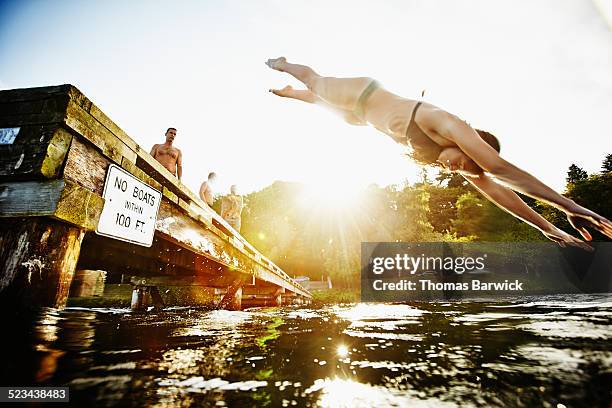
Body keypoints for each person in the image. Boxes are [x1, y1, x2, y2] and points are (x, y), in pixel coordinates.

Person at [266, 57, 612, 247]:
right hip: (363, 93)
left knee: (330, 108)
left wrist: (545, 228)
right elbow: (501, 169)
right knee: (315, 81)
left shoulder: (460, 161)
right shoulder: (446, 123)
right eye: (463, 162)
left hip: (362, 116)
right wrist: (569, 205)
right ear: (466, 143)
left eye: (462, 170)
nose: (454, 170)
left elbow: (498, 190)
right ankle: (285, 65)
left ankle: (291, 93)